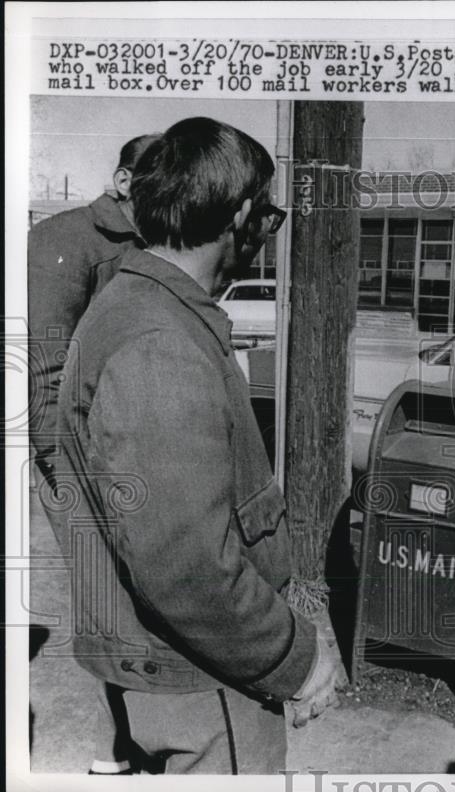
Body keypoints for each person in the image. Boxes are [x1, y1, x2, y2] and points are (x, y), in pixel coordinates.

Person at [53, 117, 338, 774]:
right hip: (202, 682)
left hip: (176, 667)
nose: (265, 234)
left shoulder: (138, 302)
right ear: (239, 215)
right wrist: (292, 658)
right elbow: (188, 568)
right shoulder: (159, 343)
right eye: (267, 217)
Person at [28, 132, 159, 775]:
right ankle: (114, 747)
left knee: (147, 586)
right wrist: (68, 473)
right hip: (79, 461)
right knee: (104, 594)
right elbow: (42, 371)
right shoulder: (62, 239)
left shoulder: (153, 242)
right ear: (123, 180)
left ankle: (151, 735)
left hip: (138, 448)